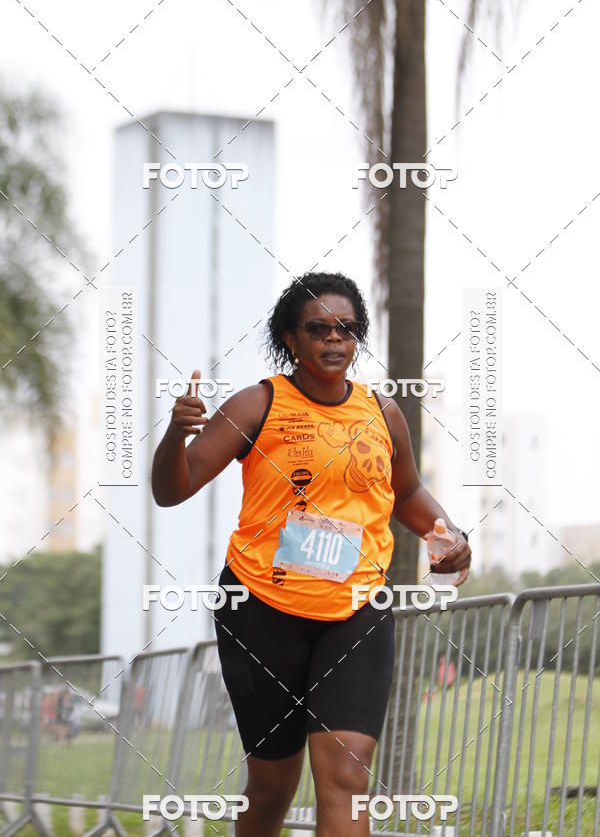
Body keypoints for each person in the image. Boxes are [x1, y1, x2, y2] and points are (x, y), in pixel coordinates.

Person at [152, 271, 471, 837]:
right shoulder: (257, 404)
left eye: (347, 330)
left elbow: (408, 492)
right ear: (290, 338)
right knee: (273, 783)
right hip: (260, 607)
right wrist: (176, 436)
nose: (333, 340)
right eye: (318, 328)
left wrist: (447, 536)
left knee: (347, 770)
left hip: (355, 608)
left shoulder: (383, 412)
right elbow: (172, 490)